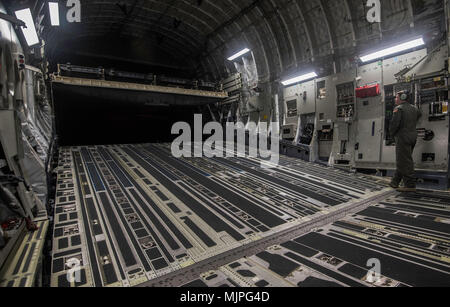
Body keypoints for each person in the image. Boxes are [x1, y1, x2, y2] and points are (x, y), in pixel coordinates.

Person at [389, 91, 421, 192]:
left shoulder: (399, 109)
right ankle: (395, 182)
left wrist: (391, 135)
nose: (395, 99)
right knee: (404, 160)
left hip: (403, 137)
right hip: (412, 137)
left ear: (402, 98)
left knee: (404, 161)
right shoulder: (415, 108)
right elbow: (419, 116)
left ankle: (410, 185)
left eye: (396, 97)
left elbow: (394, 125)